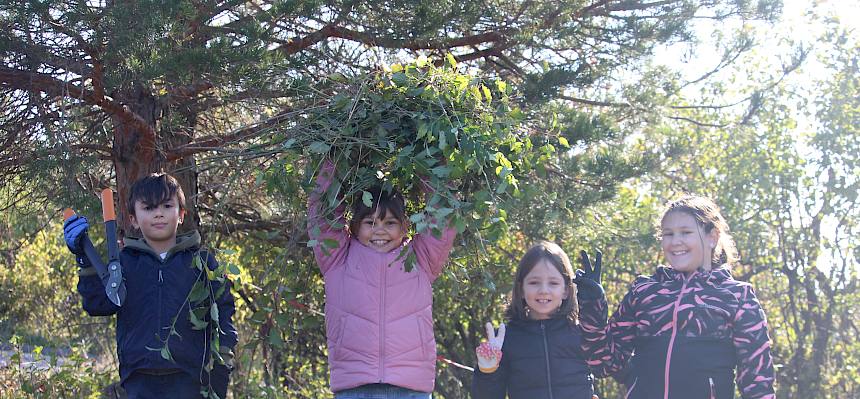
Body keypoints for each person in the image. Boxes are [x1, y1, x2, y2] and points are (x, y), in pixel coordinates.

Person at [578, 195, 776, 399]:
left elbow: (758, 381)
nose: (675, 241)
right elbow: (603, 363)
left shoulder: (737, 296)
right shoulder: (645, 291)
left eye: (686, 232)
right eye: (668, 234)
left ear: (712, 237)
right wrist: (592, 307)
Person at [63, 173, 237, 399]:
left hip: (191, 381)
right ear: (133, 219)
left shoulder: (203, 262)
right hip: (138, 381)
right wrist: (84, 259)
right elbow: (97, 304)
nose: (158, 213)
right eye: (148, 207)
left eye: (167, 205)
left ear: (181, 214)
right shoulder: (124, 263)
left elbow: (224, 313)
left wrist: (221, 369)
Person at [307, 159, 457, 398]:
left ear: (405, 227)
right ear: (354, 226)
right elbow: (322, 216)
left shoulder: (420, 259)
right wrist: (335, 158)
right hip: (354, 386)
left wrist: (426, 158)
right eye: (370, 223)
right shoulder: (338, 258)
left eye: (390, 223)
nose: (379, 231)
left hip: (410, 387)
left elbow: (443, 220)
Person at [471, 241, 604, 399]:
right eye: (534, 282)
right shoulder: (507, 338)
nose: (543, 290)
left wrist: (594, 305)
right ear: (521, 290)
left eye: (553, 283)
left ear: (566, 291)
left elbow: (607, 361)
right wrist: (487, 370)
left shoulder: (581, 332)